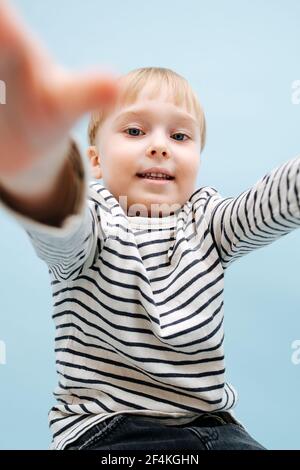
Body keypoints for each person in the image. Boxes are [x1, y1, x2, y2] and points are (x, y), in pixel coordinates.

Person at [0, 1, 298, 451]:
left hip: (215, 427)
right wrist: (39, 164)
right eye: (136, 132)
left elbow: (269, 203)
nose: (160, 147)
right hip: (107, 429)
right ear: (95, 161)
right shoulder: (94, 220)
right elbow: (61, 228)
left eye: (180, 136)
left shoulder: (208, 221)